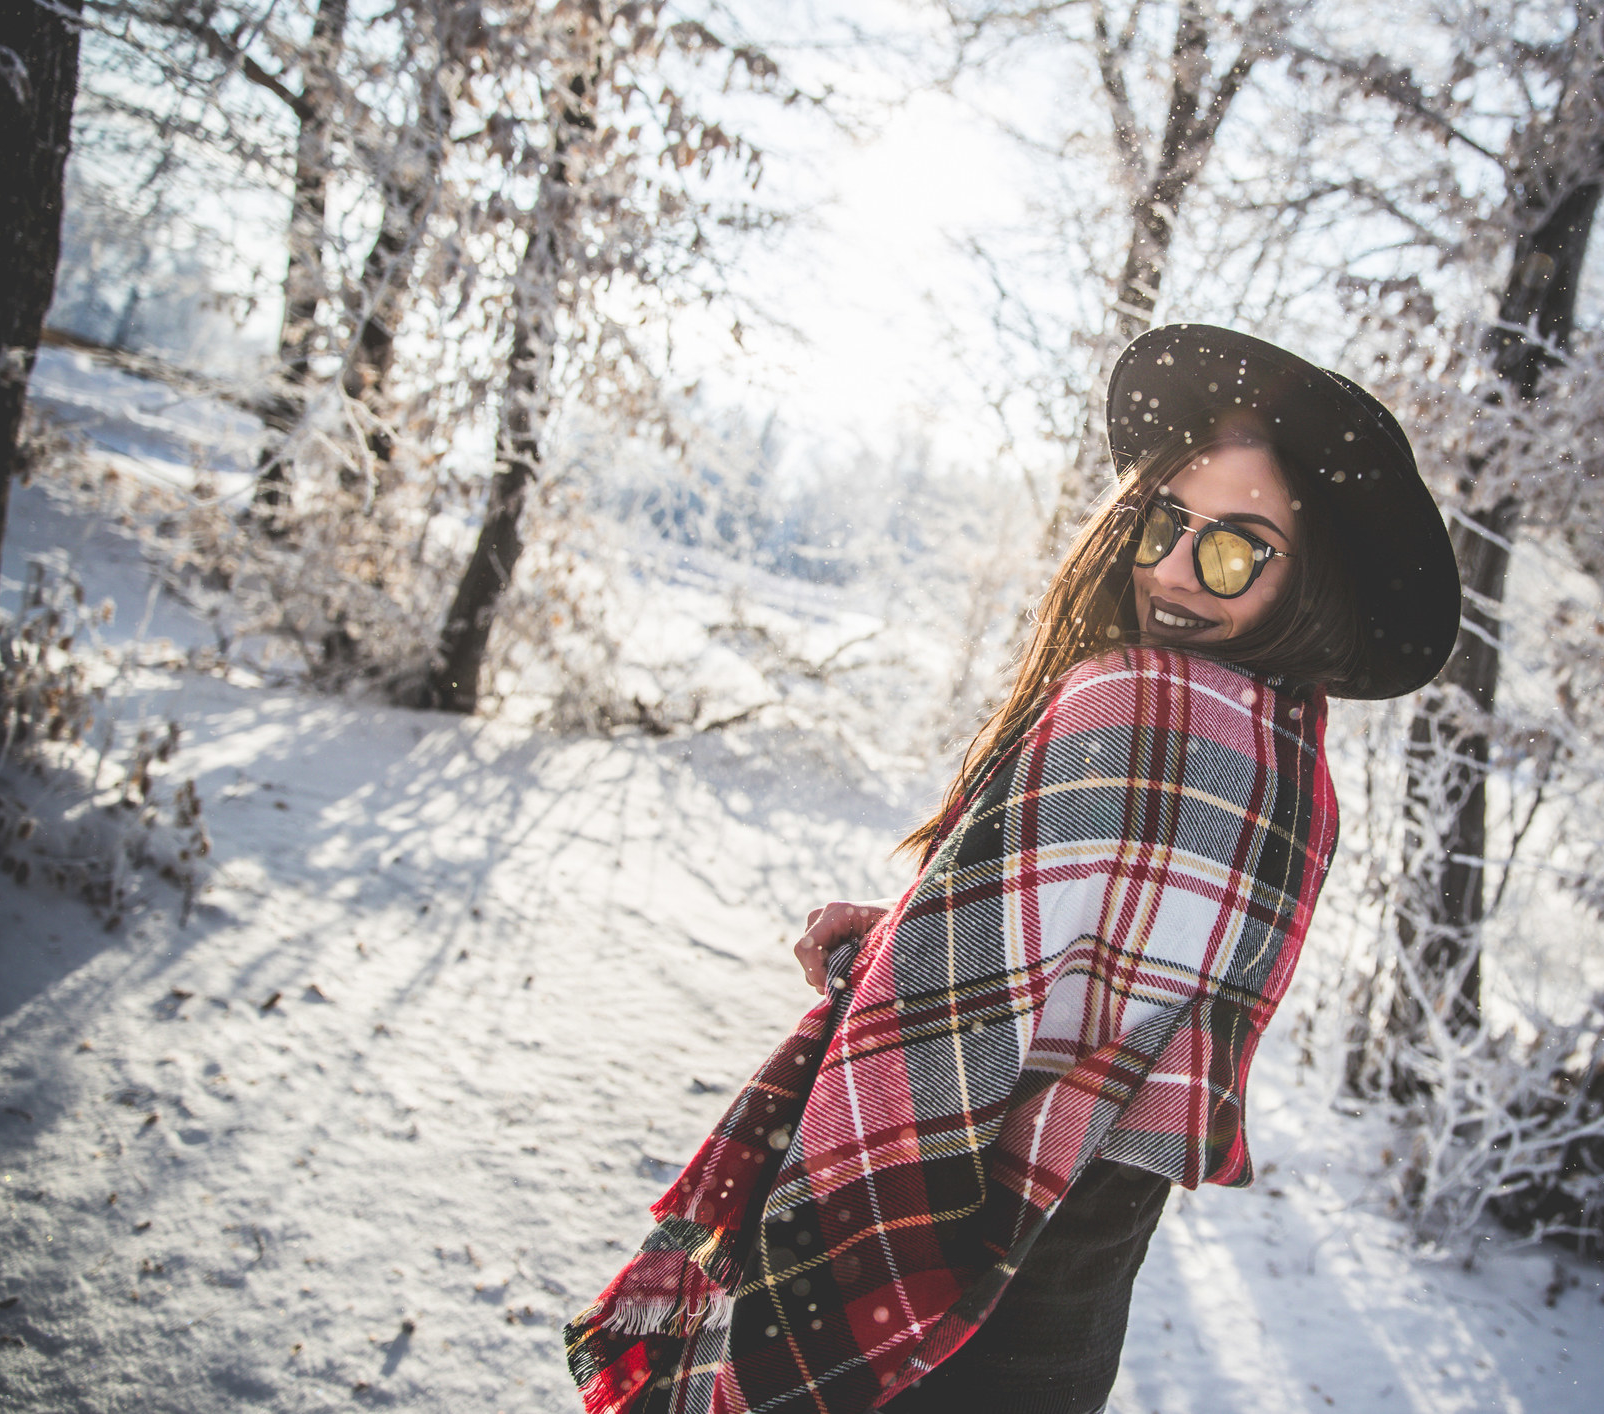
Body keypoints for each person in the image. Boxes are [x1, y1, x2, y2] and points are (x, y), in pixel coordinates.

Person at [565, 325, 1460, 1414]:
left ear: (1305, 582)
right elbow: (1086, 977)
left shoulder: (1133, 701)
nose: (1174, 571)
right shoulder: (1294, 769)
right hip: (1060, 1328)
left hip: (915, 1303)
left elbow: (940, 1050)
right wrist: (906, 929)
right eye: (1166, 522)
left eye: (1234, 549)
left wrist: (903, 968)